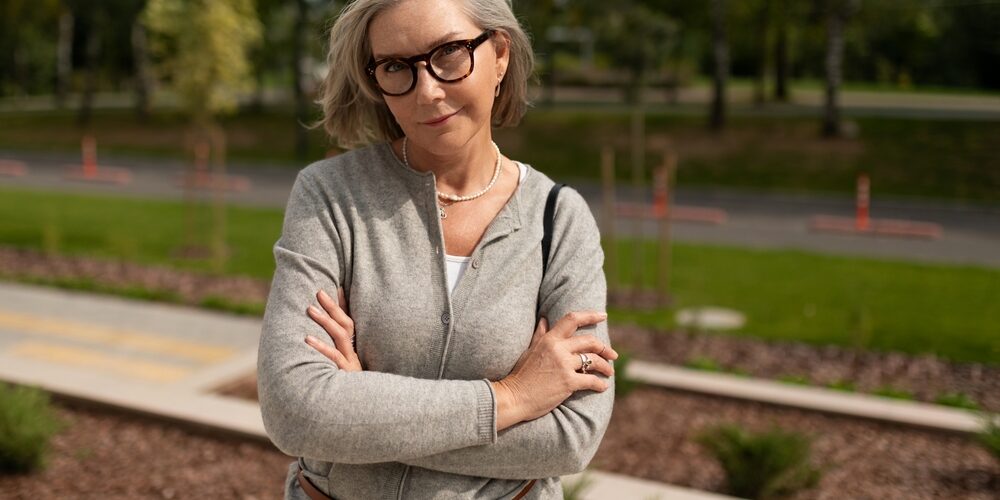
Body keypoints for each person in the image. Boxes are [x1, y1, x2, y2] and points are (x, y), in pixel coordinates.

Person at [257, 0, 618, 498]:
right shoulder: (330, 196)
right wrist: (512, 398)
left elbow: (571, 438)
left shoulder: (559, 220)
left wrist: (361, 413)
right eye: (395, 66)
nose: (426, 91)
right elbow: (294, 412)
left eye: (449, 53)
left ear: (500, 55)